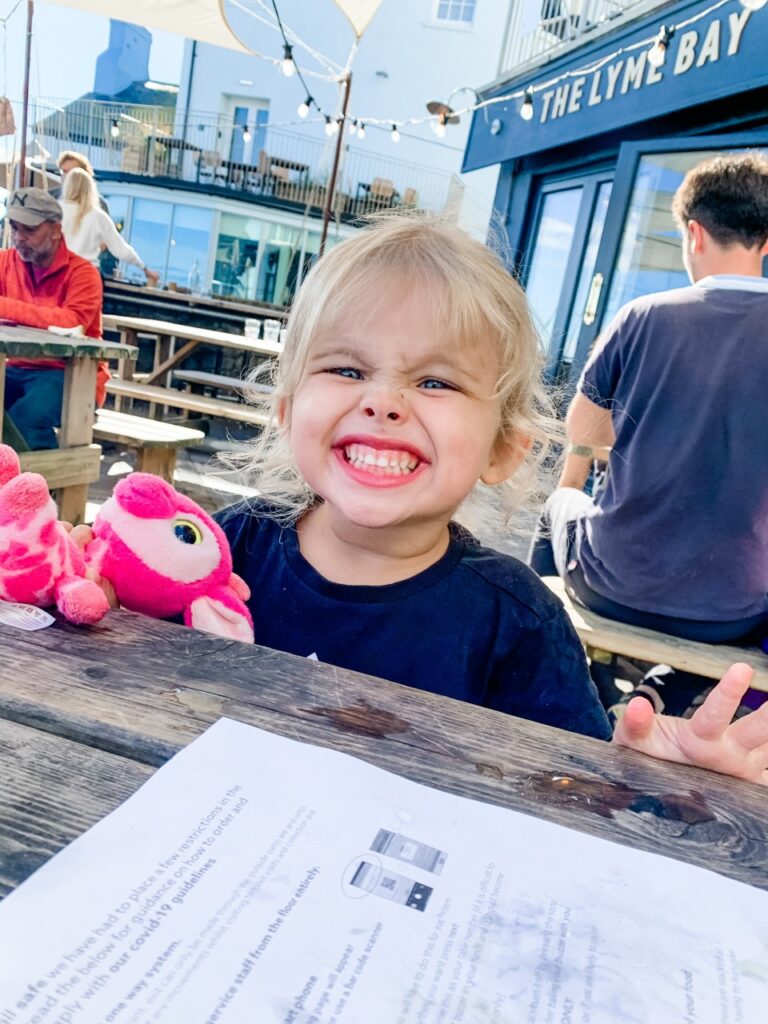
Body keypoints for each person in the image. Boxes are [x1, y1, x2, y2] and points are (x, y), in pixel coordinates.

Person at [76, 216, 768, 784]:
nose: (383, 402)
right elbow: (114, 654)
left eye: (435, 382)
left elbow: (579, 789)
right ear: (287, 410)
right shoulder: (230, 546)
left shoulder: (517, 623)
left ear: (504, 448)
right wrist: (86, 596)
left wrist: (659, 781)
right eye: (346, 369)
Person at [533, 153, 768, 658]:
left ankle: (550, 660)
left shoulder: (643, 315)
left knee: (558, 503)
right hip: (733, 612)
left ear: (695, 234)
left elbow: (584, 430)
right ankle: (666, 692)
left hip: (610, 584)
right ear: (765, 243)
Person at [0, 186, 106, 450]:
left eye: (29, 229)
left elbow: (71, 322)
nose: (18, 237)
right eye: (14, 227)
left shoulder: (84, 273)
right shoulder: (4, 262)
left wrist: (5, 308)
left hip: (70, 373)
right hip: (13, 367)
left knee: (27, 416)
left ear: (56, 229)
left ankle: (43, 488)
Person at [61, 168, 159, 286]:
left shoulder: (57, 210)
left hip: (61, 273)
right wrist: (144, 268)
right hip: (87, 276)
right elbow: (120, 248)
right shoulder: (98, 215)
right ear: (90, 188)